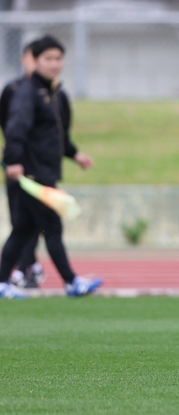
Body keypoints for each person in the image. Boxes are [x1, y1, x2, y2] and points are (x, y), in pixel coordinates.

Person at [0, 35, 101, 299]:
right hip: (31, 175)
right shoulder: (27, 92)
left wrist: (75, 154)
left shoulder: (54, 93)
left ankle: (1, 282)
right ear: (35, 61)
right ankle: (71, 282)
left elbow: (56, 135)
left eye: (58, 58)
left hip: (42, 171)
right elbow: (16, 128)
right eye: (48, 58)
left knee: (23, 229)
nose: (54, 64)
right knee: (52, 227)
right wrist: (13, 160)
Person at [0, 41, 45, 289]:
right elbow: (9, 125)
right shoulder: (14, 89)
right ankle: (22, 268)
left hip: (39, 166)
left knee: (36, 222)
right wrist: (14, 156)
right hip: (18, 165)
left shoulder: (49, 91)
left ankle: (28, 265)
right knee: (21, 221)